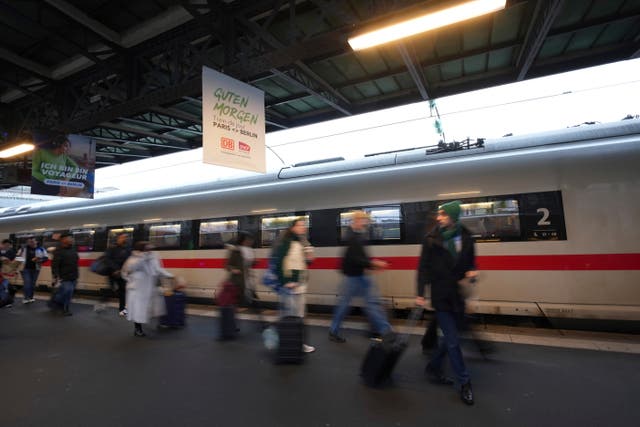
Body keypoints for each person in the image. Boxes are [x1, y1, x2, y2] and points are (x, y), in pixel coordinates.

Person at [415, 200, 477, 405]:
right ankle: (465, 383)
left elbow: (471, 262)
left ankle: (433, 368)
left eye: (443, 214)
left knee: (451, 339)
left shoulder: (466, 237)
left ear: (453, 216)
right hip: (441, 295)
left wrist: (472, 274)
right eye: (438, 214)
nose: (438, 217)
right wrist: (420, 293)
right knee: (452, 340)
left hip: (458, 296)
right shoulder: (431, 239)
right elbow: (423, 268)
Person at [328, 211, 392, 343]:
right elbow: (355, 258)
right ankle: (385, 331)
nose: (366, 222)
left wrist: (371, 266)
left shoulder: (359, 234)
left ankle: (385, 331)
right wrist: (373, 263)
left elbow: (361, 256)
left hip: (360, 274)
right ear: (356, 220)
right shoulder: (352, 236)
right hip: (353, 276)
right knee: (349, 304)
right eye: (364, 220)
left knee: (369, 302)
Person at [274, 218, 316, 353]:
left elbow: (304, 263)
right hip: (290, 287)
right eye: (300, 225)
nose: (303, 227)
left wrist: (309, 257)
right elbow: (279, 263)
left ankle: (295, 343)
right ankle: (288, 344)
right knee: (291, 316)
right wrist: (286, 281)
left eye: (304, 225)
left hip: (300, 285)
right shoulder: (286, 243)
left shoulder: (302, 242)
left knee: (298, 316)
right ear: (292, 228)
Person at [121, 242, 174, 337]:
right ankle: (138, 329)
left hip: (150, 287)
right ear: (141, 249)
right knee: (138, 309)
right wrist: (144, 257)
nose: (150, 250)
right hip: (137, 288)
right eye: (147, 248)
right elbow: (130, 269)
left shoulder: (153, 256)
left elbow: (158, 269)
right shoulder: (134, 258)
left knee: (154, 306)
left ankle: (160, 323)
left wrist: (169, 275)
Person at [225, 231, 256, 308]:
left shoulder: (250, 250)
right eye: (248, 239)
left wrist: (254, 262)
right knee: (239, 300)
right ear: (243, 240)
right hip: (238, 280)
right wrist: (234, 270)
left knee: (248, 299)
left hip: (247, 279)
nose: (251, 241)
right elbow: (228, 265)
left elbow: (248, 264)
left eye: (251, 240)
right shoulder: (236, 251)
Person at [50, 233, 79, 316]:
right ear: (63, 240)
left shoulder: (73, 249)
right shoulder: (58, 251)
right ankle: (64, 308)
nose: (72, 240)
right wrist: (56, 276)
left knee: (67, 293)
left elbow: (75, 262)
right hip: (64, 277)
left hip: (73, 276)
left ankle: (55, 303)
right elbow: (54, 265)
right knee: (68, 292)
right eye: (70, 238)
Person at [104, 233, 131, 316]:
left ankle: (122, 310)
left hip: (122, 273)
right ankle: (101, 304)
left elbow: (129, 260)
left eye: (126, 237)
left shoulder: (127, 249)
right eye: (122, 237)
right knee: (111, 289)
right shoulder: (112, 248)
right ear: (118, 239)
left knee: (123, 291)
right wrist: (115, 269)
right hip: (112, 273)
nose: (124, 239)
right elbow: (108, 260)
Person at [16, 237, 48, 304]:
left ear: (36, 242)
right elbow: (17, 257)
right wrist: (19, 260)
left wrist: (39, 260)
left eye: (32, 241)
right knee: (27, 283)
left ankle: (31, 297)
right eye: (29, 241)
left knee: (32, 284)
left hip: (36, 269)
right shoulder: (23, 249)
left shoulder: (41, 248)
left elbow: (46, 258)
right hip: (24, 269)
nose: (31, 243)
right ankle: (26, 298)